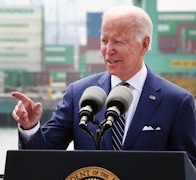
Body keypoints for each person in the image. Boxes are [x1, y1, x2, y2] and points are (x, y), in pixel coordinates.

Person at [11, 5, 196, 167]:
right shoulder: (78, 94)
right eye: (104, 41)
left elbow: (188, 169)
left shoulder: (177, 102)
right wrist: (30, 127)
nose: (108, 50)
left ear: (145, 44)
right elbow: (43, 157)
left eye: (118, 41)